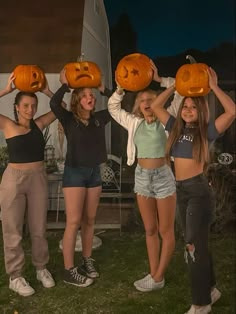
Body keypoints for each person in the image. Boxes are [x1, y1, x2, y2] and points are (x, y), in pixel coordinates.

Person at [150, 67, 235, 313]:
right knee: (199, 244)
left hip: (198, 192)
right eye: (184, 106)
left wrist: (214, 86)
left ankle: (201, 304)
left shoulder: (206, 131)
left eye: (193, 107)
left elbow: (232, 111)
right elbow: (156, 106)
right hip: (181, 191)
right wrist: (176, 87)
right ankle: (210, 289)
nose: (187, 110)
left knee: (192, 247)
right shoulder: (175, 127)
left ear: (201, 110)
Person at [107, 61, 180, 292]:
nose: (147, 104)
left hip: (164, 176)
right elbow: (113, 108)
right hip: (142, 178)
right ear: (137, 106)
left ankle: (158, 276)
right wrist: (120, 88)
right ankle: (154, 273)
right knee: (149, 229)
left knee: (165, 230)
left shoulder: (168, 119)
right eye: (143, 101)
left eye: (151, 99)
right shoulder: (134, 122)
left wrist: (159, 80)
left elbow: (179, 88)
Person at [49, 69, 112, 287]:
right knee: (74, 222)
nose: (91, 98)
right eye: (85, 95)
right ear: (77, 99)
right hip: (74, 172)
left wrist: (103, 88)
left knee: (90, 220)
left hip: (94, 172)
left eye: (92, 95)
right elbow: (55, 104)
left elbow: (117, 105)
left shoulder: (99, 119)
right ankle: (68, 270)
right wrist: (66, 85)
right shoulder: (68, 119)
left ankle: (86, 260)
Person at [0, 73, 57, 297]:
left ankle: (41, 268)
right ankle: (16, 276)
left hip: (38, 178)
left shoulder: (40, 124)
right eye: (25, 105)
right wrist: (5, 90)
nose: (30, 110)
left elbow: (62, 109)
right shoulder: (8, 125)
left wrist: (46, 91)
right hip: (14, 179)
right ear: (16, 107)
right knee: (12, 228)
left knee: (38, 227)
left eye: (33, 105)